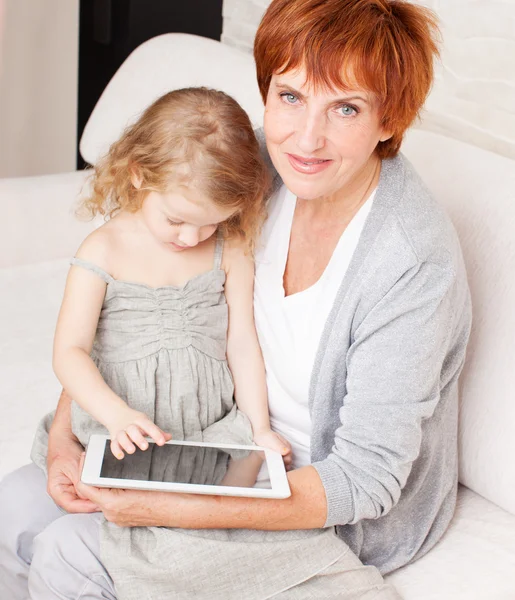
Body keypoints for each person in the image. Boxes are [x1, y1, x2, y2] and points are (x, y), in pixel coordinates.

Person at [0, 0, 472, 598]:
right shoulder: (250, 167)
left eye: (346, 108)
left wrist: (166, 507)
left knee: (71, 552)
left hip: (313, 490)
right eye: (291, 96)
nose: (307, 137)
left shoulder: (410, 260)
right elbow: (124, 309)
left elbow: (365, 481)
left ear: (389, 121)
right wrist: (68, 440)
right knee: (16, 505)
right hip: (203, 440)